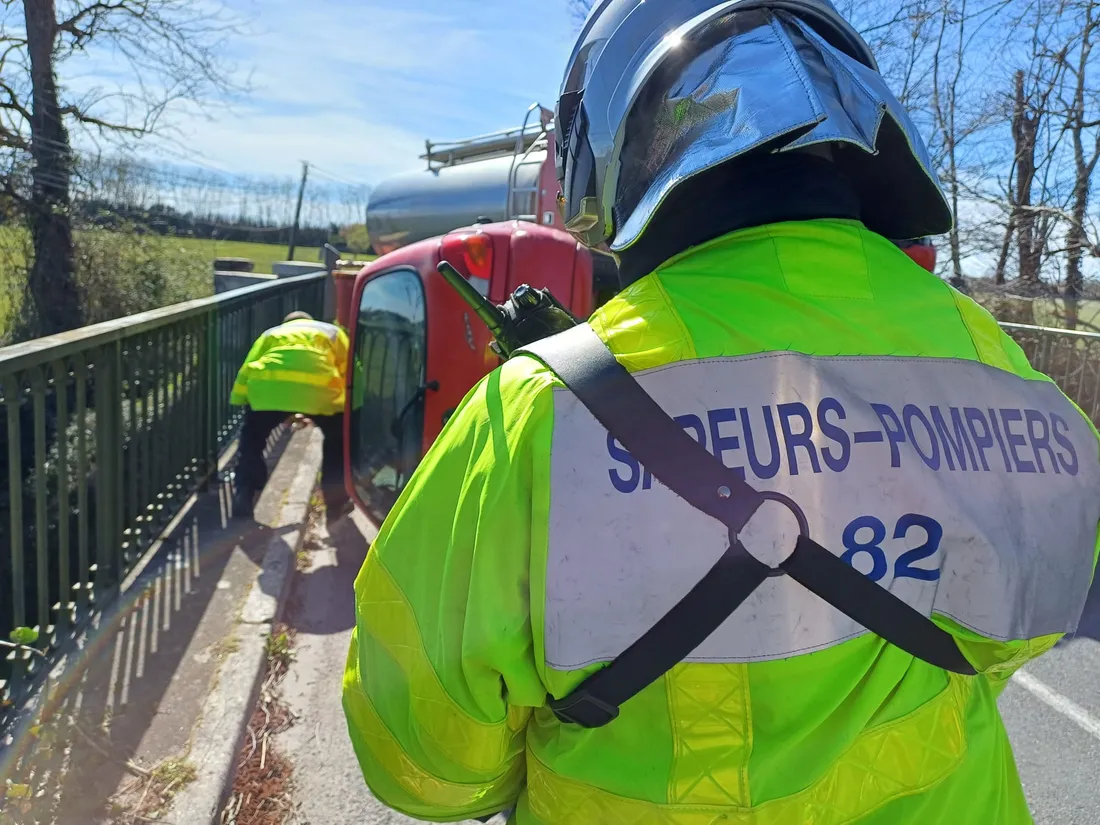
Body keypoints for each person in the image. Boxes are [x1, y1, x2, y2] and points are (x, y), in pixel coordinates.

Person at [343, 3, 1100, 824]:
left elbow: (422, 762)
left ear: (616, 148)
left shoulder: (533, 415)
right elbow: (1019, 620)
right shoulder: (1001, 366)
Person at [230, 310, 349, 519]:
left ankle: (245, 492)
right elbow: (349, 370)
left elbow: (247, 370)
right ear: (310, 322)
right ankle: (335, 504)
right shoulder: (332, 333)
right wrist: (348, 407)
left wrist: (241, 400)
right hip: (319, 391)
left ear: (286, 323)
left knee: (252, 440)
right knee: (335, 444)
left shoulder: (270, 334)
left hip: (269, 390)